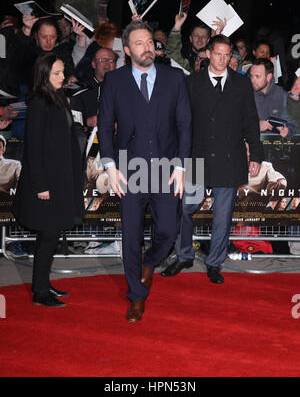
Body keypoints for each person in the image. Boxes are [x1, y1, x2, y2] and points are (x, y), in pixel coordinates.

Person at [98, 20, 192, 322]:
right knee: (131, 236)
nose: (147, 47)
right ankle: (136, 296)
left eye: (150, 41)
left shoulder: (175, 78)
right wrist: (110, 165)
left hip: (166, 169)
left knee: (167, 232)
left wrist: (181, 164)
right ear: (127, 50)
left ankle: (149, 264)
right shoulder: (114, 81)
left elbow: (185, 126)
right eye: (139, 43)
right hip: (128, 171)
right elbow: (104, 126)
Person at [161, 34, 264, 284]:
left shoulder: (241, 84)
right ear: (208, 53)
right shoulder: (192, 82)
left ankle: (214, 262)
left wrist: (257, 154)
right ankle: (184, 254)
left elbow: (251, 120)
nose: (222, 59)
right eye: (217, 53)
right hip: (198, 155)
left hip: (229, 156)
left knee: (223, 214)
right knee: (185, 208)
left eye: (227, 55)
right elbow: (180, 121)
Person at [12, 52, 85, 307]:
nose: (62, 76)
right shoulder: (38, 103)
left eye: (62, 72)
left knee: (50, 236)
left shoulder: (57, 98)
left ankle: (41, 284)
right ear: (44, 75)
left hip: (59, 178)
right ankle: (40, 292)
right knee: (49, 235)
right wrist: (41, 186)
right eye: (57, 73)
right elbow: (33, 148)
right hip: (45, 184)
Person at [249, 58, 296, 138]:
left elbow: (292, 123)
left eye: (257, 76)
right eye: (251, 76)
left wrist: (288, 131)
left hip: (274, 144)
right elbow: (234, 122)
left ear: (269, 77)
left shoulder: (282, 95)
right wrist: (255, 125)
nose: (253, 80)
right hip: (250, 144)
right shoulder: (245, 94)